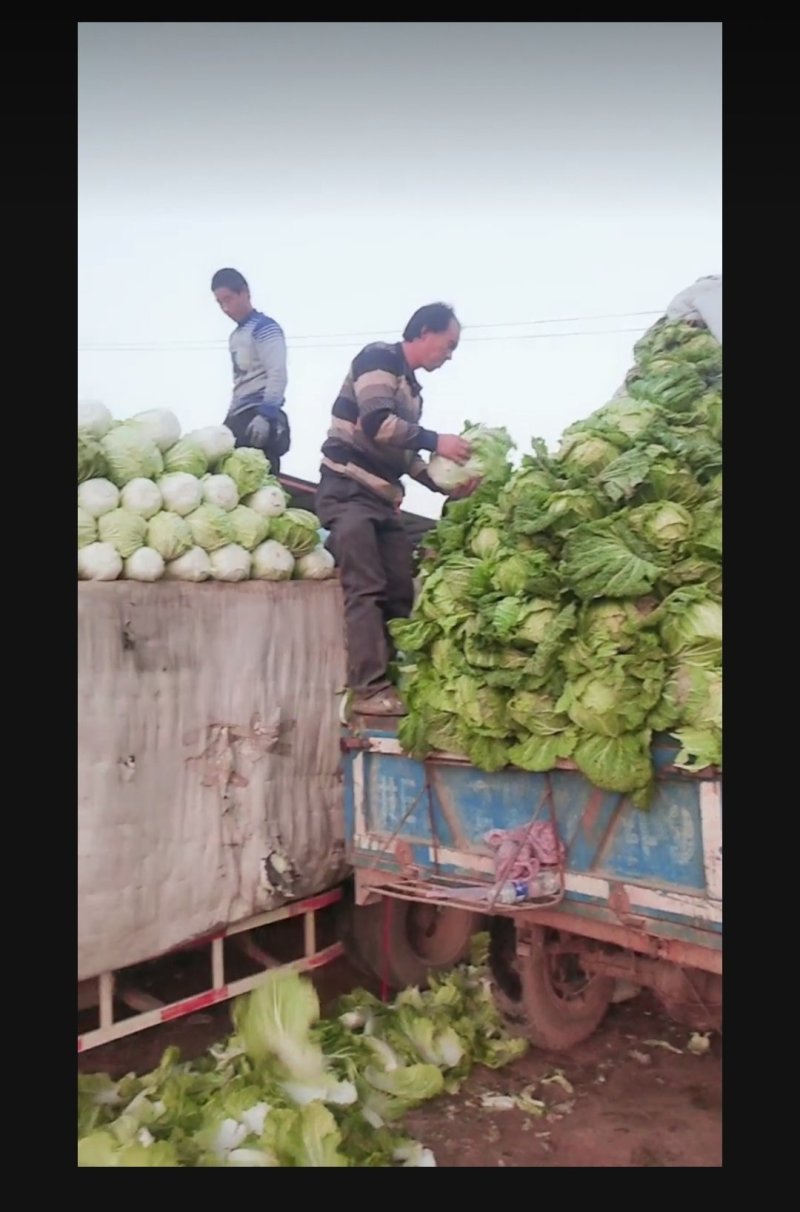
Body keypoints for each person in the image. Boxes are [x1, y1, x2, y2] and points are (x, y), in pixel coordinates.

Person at [316, 302, 478, 716]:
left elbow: (404, 454)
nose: (450, 354)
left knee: (400, 590)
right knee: (366, 587)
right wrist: (436, 440)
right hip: (348, 488)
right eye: (449, 344)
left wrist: (445, 485)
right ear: (425, 332)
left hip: (381, 498)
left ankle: (391, 681)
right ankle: (368, 689)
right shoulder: (379, 359)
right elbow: (376, 423)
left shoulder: (413, 391)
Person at [211, 267, 291, 475]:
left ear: (244, 292)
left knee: (258, 481)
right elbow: (239, 382)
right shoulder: (235, 337)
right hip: (238, 416)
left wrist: (266, 415)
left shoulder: (264, 328)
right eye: (220, 303)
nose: (225, 308)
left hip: (258, 415)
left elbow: (277, 372)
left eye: (228, 299)